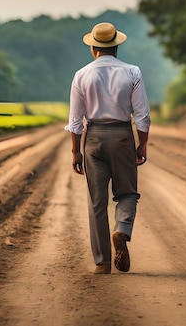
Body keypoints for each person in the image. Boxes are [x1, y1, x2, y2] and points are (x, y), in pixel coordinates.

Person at [65, 22, 151, 274]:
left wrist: (76, 151)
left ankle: (102, 262)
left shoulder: (81, 75)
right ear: (116, 47)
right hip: (122, 136)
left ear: (93, 48)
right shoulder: (132, 72)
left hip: (93, 138)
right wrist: (142, 144)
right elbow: (142, 115)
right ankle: (121, 229)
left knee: (96, 202)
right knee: (126, 193)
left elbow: (74, 120)